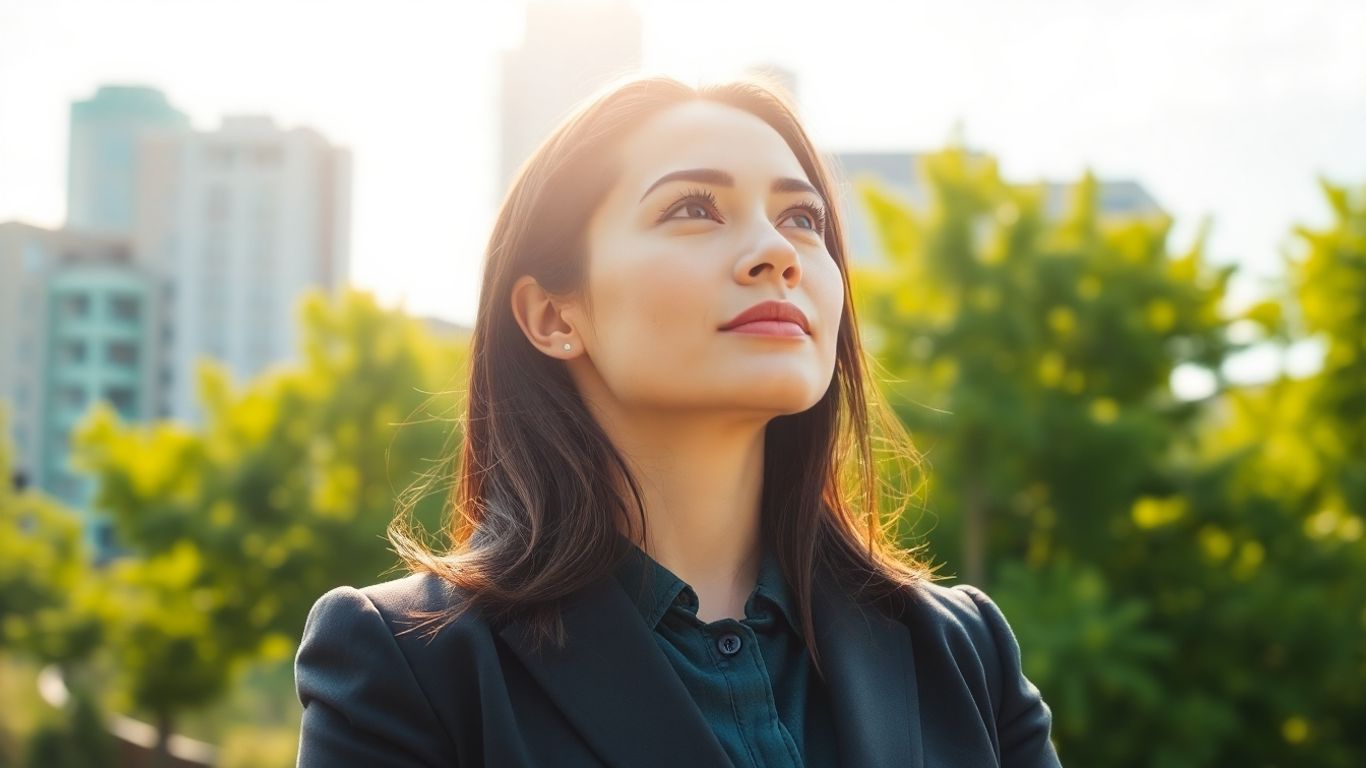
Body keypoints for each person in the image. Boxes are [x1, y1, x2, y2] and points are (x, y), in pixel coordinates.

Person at [293, 72, 1061, 768]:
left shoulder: (964, 653)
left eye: (802, 218)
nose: (776, 253)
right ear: (552, 314)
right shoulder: (409, 665)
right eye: (694, 209)